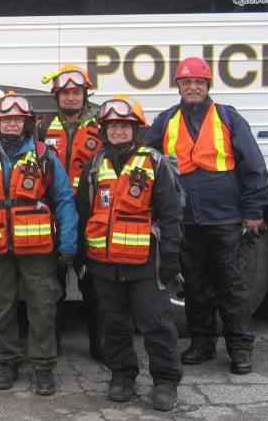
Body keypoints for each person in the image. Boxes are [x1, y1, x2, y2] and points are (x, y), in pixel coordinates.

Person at [145, 56, 268, 375]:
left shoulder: (229, 118)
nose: (192, 88)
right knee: (196, 286)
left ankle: (240, 349)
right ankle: (201, 344)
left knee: (232, 286)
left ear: (207, 86)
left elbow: (254, 166)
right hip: (184, 220)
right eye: (186, 83)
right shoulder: (165, 120)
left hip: (224, 219)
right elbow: (147, 165)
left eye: (198, 83)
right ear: (179, 87)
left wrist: (253, 210)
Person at [0, 94, 76, 395]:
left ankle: (43, 367)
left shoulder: (45, 156)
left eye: (16, 119)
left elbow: (64, 200)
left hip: (38, 250)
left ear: (26, 123)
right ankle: (7, 361)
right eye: (6, 119)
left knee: (42, 306)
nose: (11, 123)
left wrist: (69, 242)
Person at [77, 97, 182, 412]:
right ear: (105, 130)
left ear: (135, 129)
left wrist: (171, 257)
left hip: (145, 264)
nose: (118, 131)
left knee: (155, 323)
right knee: (114, 323)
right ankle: (122, 375)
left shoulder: (155, 164)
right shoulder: (95, 166)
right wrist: (83, 256)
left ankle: (165, 381)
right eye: (113, 127)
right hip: (104, 264)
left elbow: (171, 215)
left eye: (124, 126)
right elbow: (85, 212)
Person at [38, 64, 103, 360]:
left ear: (85, 95)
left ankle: (101, 347)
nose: (71, 98)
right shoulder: (42, 127)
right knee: (52, 286)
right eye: (65, 93)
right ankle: (52, 347)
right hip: (54, 214)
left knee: (95, 285)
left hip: (90, 214)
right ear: (57, 96)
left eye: (76, 93)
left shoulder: (103, 125)